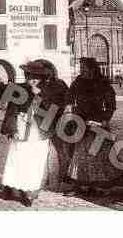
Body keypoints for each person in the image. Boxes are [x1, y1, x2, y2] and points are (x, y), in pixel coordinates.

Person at [66, 57, 123, 195]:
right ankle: (84, 184)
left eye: (84, 69)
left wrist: (105, 119)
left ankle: (102, 185)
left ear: (92, 69)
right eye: (80, 68)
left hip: (98, 123)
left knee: (100, 155)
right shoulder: (77, 82)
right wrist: (70, 111)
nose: (81, 71)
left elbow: (111, 104)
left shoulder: (103, 83)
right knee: (82, 155)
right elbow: (69, 99)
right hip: (82, 122)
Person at [0, 61, 52, 207]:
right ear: (26, 76)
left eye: (37, 77)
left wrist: (41, 95)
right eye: (31, 77)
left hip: (39, 130)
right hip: (22, 127)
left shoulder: (47, 91)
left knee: (36, 159)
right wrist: (12, 129)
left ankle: (30, 188)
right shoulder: (18, 89)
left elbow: (52, 110)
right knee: (18, 157)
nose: (33, 80)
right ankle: (11, 186)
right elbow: (12, 110)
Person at [37, 61, 72, 190]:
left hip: (57, 120)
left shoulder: (60, 83)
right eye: (44, 71)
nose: (46, 73)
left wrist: (65, 109)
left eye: (48, 70)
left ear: (52, 71)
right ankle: (43, 178)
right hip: (43, 121)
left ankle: (63, 177)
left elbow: (68, 99)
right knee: (43, 151)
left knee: (61, 150)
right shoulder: (38, 84)